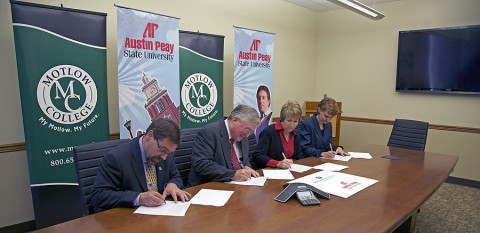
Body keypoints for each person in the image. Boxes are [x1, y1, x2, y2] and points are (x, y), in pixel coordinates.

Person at [90, 118, 191, 213]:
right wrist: (139, 198)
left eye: (169, 153)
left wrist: (172, 185)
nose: (164, 157)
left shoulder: (165, 154)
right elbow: (98, 195)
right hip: (127, 219)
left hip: (159, 216)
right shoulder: (117, 158)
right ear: (150, 136)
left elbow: (175, 176)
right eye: (163, 150)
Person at [188, 104, 261, 187]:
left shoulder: (242, 136)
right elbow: (201, 164)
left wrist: (247, 167)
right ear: (235, 120)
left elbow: (244, 159)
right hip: (208, 187)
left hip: (237, 186)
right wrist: (232, 174)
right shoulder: (209, 132)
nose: (248, 135)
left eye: (251, 132)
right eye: (248, 129)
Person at [253, 100, 304, 169]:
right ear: (282, 119)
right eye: (289, 121)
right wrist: (278, 163)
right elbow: (258, 156)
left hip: (289, 171)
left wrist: (291, 161)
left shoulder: (295, 135)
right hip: (270, 171)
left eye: (295, 121)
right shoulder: (269, 132)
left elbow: (298, 157)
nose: (292, 125)